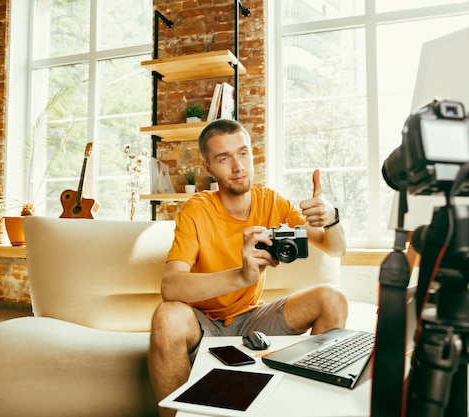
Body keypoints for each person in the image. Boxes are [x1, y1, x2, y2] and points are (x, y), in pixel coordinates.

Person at [148, 119, 348, 417]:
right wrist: (241, 275)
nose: (238, 166)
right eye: (224, 158)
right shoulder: (196, 210)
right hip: (204, 323)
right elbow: (171, 287)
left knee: (332, 298)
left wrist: (331, 217)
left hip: (254, 317)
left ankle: (312, 409)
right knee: (167, 317)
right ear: (208, 169)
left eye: (243, 153)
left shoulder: (272, 202)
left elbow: (335, 247)